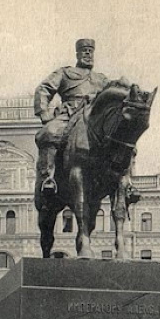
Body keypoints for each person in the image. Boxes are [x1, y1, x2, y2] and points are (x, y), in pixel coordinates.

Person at [34, 39, 140, 203]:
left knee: (125, 142)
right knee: (50, 132)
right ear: (77, 54)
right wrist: (43, 112)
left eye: (91, 51)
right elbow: (43, 89)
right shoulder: (65, 73)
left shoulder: (101, 79)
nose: (88, 54)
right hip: (69, 114)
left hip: (95, 118)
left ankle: (128, 184)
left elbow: (117, 92)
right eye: (84, 51)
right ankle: (48, 178)